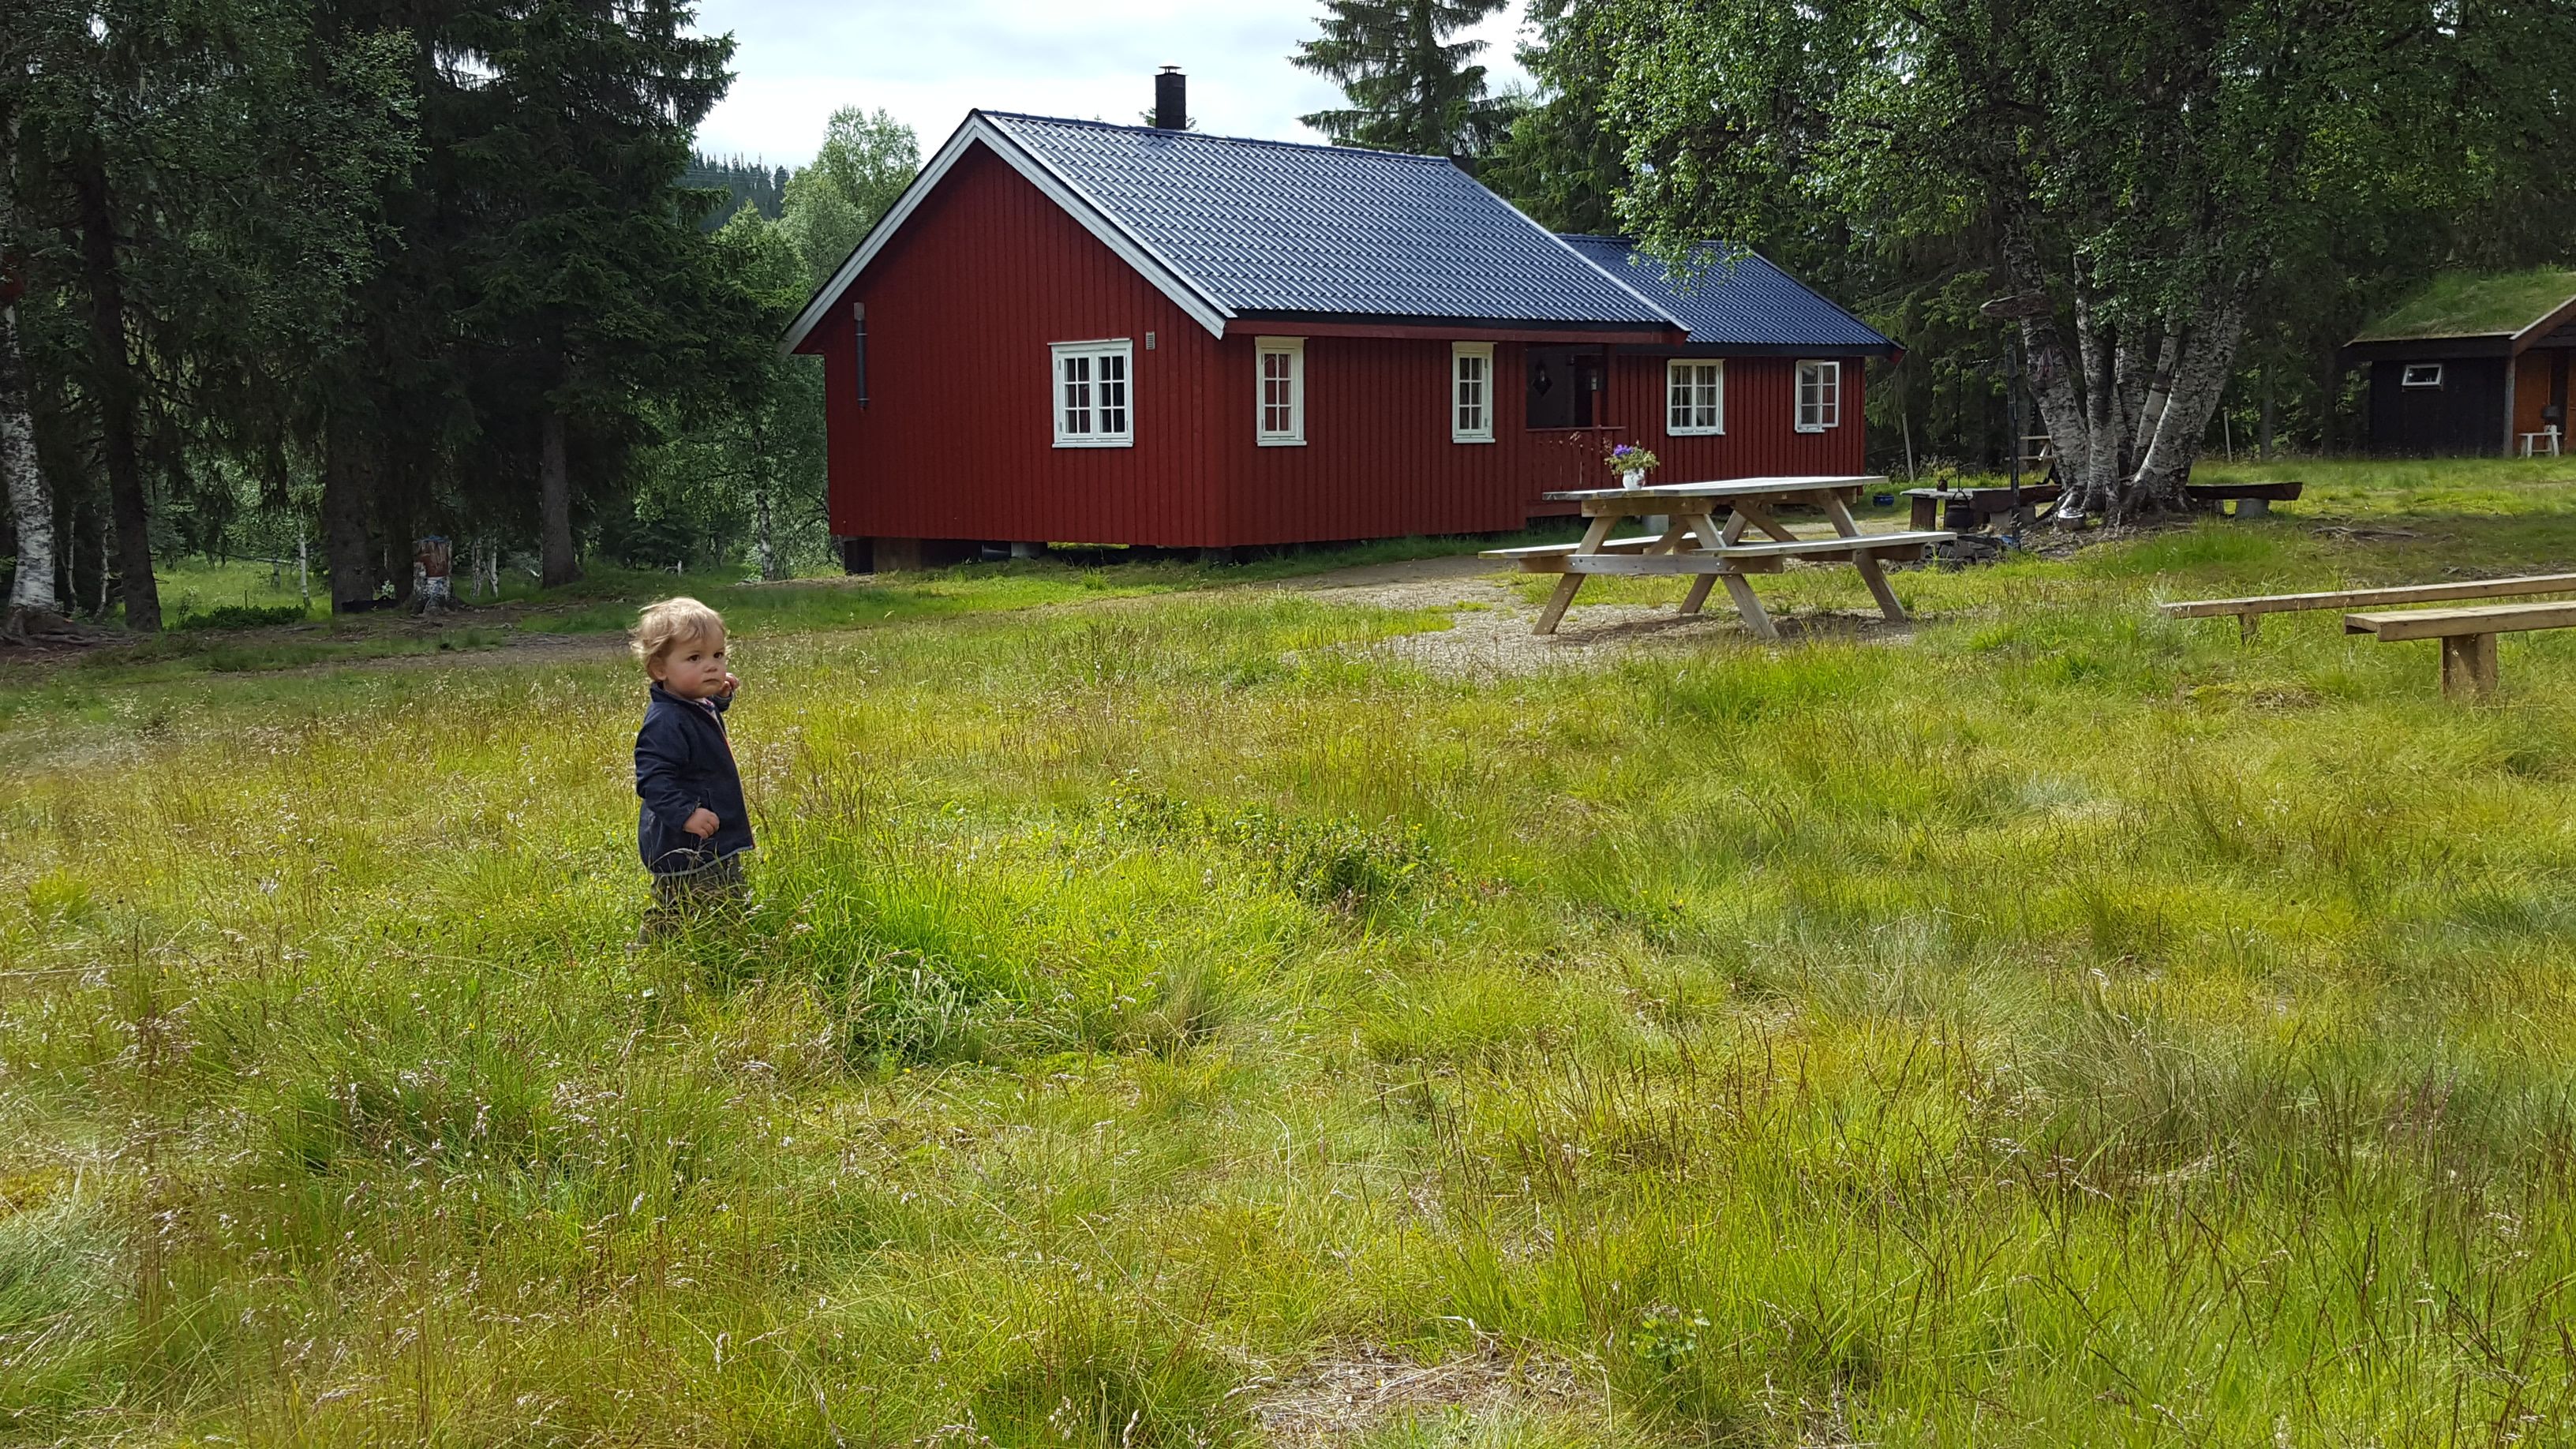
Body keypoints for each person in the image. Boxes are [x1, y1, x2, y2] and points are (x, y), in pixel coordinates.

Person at [631, 597, 751, 932]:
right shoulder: (665, 721)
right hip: (682, 837)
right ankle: (654, 947)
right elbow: (653, 781)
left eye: (718, 655)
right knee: (678, 901)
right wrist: (686, 814)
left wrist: (721, 697)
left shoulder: (691, 702)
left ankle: (729, 936)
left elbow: (706, 711)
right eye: (695, 658)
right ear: (660, 669)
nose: (712, 666)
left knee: (725, 891)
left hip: (710, 830)